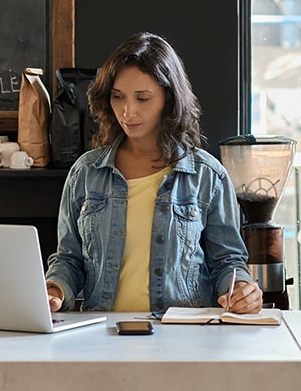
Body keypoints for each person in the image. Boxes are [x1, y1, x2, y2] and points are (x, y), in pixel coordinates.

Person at [45, 31, 262, 314]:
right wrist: (54, 290)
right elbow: (69, 260)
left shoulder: (207, 175)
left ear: (169, 99)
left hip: (184, 335)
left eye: (143, 98)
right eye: (118, 97)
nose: (127, 111)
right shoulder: (86, 173)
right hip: (103, 336)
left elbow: (227, 262)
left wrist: (242, 290)